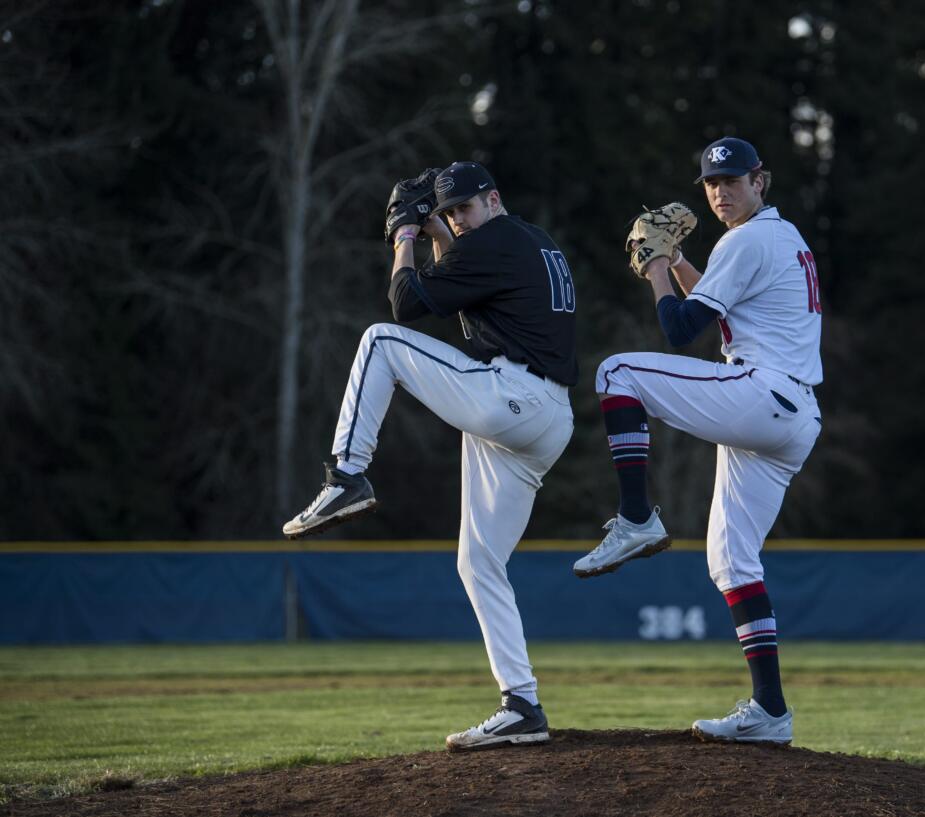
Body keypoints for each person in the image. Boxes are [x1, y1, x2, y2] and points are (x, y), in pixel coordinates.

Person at [282, 161, 578, 751]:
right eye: (450, 213)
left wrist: (406, 236)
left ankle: (347, 475)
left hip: (514, 396)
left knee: (380, 342)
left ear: (493, 198)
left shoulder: (491, 240)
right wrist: (437, 229)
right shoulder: (526, 241)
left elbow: (405, 302)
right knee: (478, 564)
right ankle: (522, 704)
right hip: (544, 417)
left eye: (464, 208)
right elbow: (461, 284)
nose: (458, 220)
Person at [573, 137, 823, 745]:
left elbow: (682, 329)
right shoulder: (775, 238)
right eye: (711, 183)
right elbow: (716, 300)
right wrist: (678, 261)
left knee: (617, 373)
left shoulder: (750, 237)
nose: (720, 192)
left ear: (761, 180)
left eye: (732, 181)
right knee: (732, 562)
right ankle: (771, 712)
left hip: (762, 392)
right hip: (793, 415)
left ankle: (636, 518)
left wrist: (658, 266)